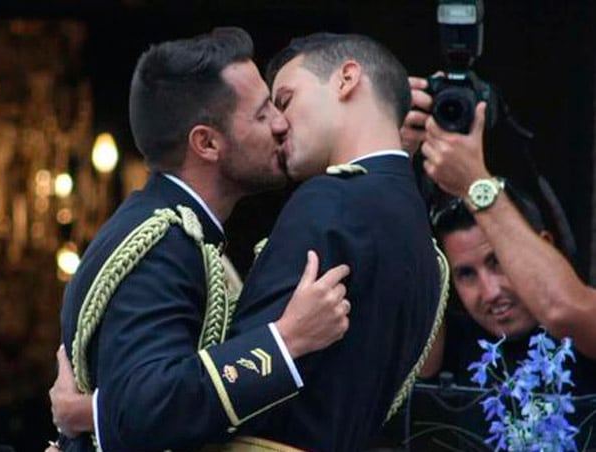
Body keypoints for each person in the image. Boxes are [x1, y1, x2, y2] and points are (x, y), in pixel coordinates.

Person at [54, 27, 353, 452]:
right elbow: (148, 409)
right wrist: (288, 339)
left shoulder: (183, 233)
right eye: (263, 112)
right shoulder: (159, 243)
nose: (282, 123)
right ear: (207, 143)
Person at [214, 32, 447, 451]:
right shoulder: (418, 231)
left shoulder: (331, 200)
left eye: (284, 100)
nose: (278, 125)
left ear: (347, 79)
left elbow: (240, 393)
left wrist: (110, 409)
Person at [419, 187, 596, 393]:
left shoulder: (584, 331)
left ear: (546, 246)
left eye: (498, 262)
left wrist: (474, 178)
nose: (490, 292)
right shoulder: (447, 347)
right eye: (467, 274)